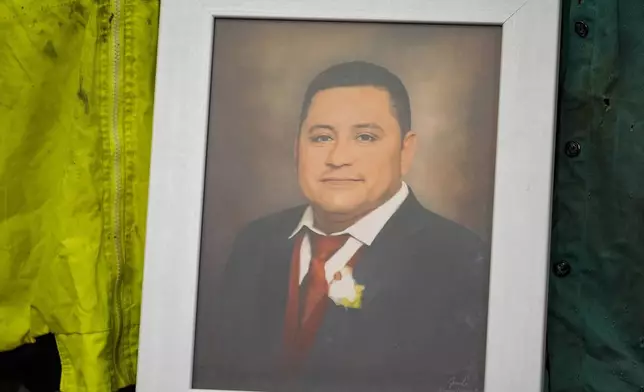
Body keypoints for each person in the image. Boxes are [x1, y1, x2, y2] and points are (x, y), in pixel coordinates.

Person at [208, 61, 490, 392]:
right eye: (322, 136)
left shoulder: (461, 261)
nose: (338, 156)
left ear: (406, 150)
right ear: (297, 147)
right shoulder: (254, 243)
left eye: (365, 136)